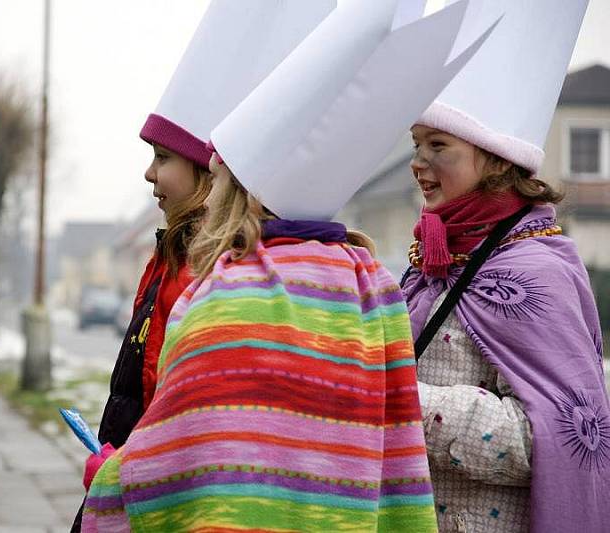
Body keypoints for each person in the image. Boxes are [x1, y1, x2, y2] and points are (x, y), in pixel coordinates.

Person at [80, 1, 493, 530]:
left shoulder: (223, 295)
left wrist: (108, 477)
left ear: (233, 187)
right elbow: (401, 468)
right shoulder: (374, 290)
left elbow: (176, 463)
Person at [70, 2, 337, 530]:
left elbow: (196, 420)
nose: (149, 174)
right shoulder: (170, 254)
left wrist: (127, 473)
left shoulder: (218, 275)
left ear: (210, 171)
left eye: (163, 157)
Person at [400, 1, 609, 531]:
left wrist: (401, 399)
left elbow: (550, 440)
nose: (417, 163)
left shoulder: (538, 273)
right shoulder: (429, 263)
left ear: (494, 158)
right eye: (416, 144)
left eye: (438, 145)